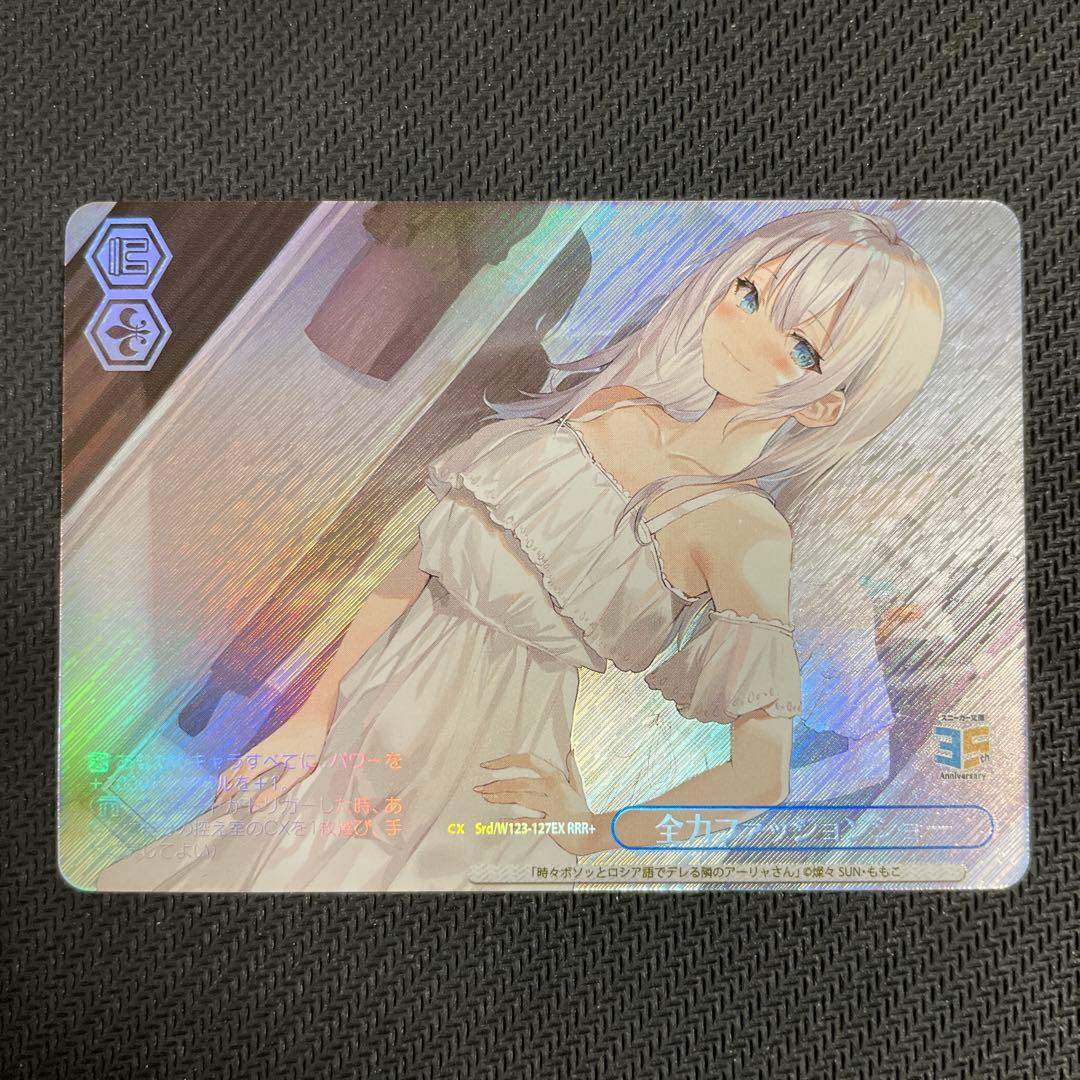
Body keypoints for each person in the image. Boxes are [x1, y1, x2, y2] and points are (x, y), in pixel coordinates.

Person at [97, 208, 944, 891]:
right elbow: (420, 569)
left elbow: (761, 777)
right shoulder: (610, 405)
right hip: (362, 722)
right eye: (750, 293)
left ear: (825, 405)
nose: (745, 332)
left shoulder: (742, 531)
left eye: (802, 347)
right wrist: (313, 716)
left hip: (479, 788)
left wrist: (592, 832)